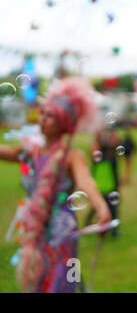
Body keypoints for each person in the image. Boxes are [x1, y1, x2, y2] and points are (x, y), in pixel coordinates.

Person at [0, 77, 112, 293]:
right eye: (42, 113)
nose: (42, 119)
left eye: (50, 116)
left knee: (59, 281)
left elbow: (85, 181)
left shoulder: (71, 156)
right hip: (35, 226)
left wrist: (100, 206)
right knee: (35, 279)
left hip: (61, 230)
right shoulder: (29, 151)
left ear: (64, 122)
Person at [85, 127, 122, 236]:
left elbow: (117, 143)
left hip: (110, 184)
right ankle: (100, 227)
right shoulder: (98, 152)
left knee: (113, 209)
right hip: (101, 185)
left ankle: (114, 230)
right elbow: (93, 150)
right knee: (100, 207)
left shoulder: (111, 151)